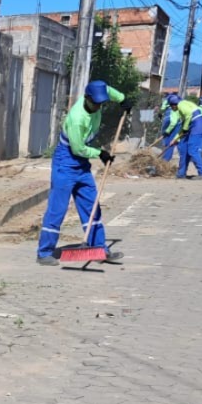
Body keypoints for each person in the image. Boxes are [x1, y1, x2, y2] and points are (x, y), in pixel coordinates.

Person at [36, 80, 133, 266]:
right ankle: (44, 252)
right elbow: (78, 148)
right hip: (66, 162)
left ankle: (100, 249)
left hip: (82, 166)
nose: (98, 106)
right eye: (95, 103)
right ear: (87, 98)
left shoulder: (98, 96)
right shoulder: (77, 118)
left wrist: (122, 100)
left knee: (92, 207)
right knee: (57, 209)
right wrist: (101, 153)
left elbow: (108, 89)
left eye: (101, 103)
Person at [167, 94, 202, 179]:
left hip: (197, 126)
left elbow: (189, 116)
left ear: (173, 104)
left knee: (193, 150)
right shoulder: (185, 104)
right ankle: (181, 173)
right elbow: (183, 127)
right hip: (197, 125)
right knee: (184, 149)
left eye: (171, 107)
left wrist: (186, 128)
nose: (172, 109)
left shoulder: (181, 105)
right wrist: (175, 139)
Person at [161, 92, 181, 162]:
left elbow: (162, 108)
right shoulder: (178, 103)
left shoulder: (168, 101)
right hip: (177, 123)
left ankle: (165, 159)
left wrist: (167, 131)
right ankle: (165, 158)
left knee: (169, 141)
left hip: (170, 121)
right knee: (171, 142)